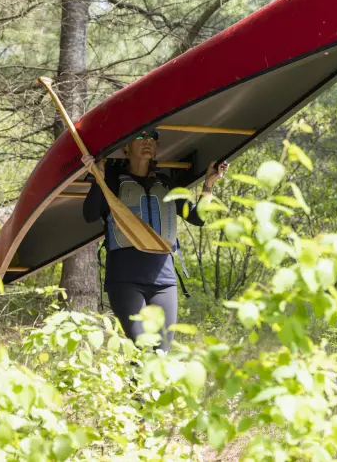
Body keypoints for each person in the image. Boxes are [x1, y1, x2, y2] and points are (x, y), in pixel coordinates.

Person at [81, 129, 227, 352]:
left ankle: (150, 389)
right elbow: (90, 215)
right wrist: (97, 178)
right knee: (141, 350)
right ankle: (133, 387)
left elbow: (197, 217)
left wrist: (209, 186)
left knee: (162, 353)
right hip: (125, 279)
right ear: (125, 147)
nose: (148, 141)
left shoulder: (165, 183)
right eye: (139, 136)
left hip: (164, 279)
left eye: (153, 137)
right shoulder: (112, 180)